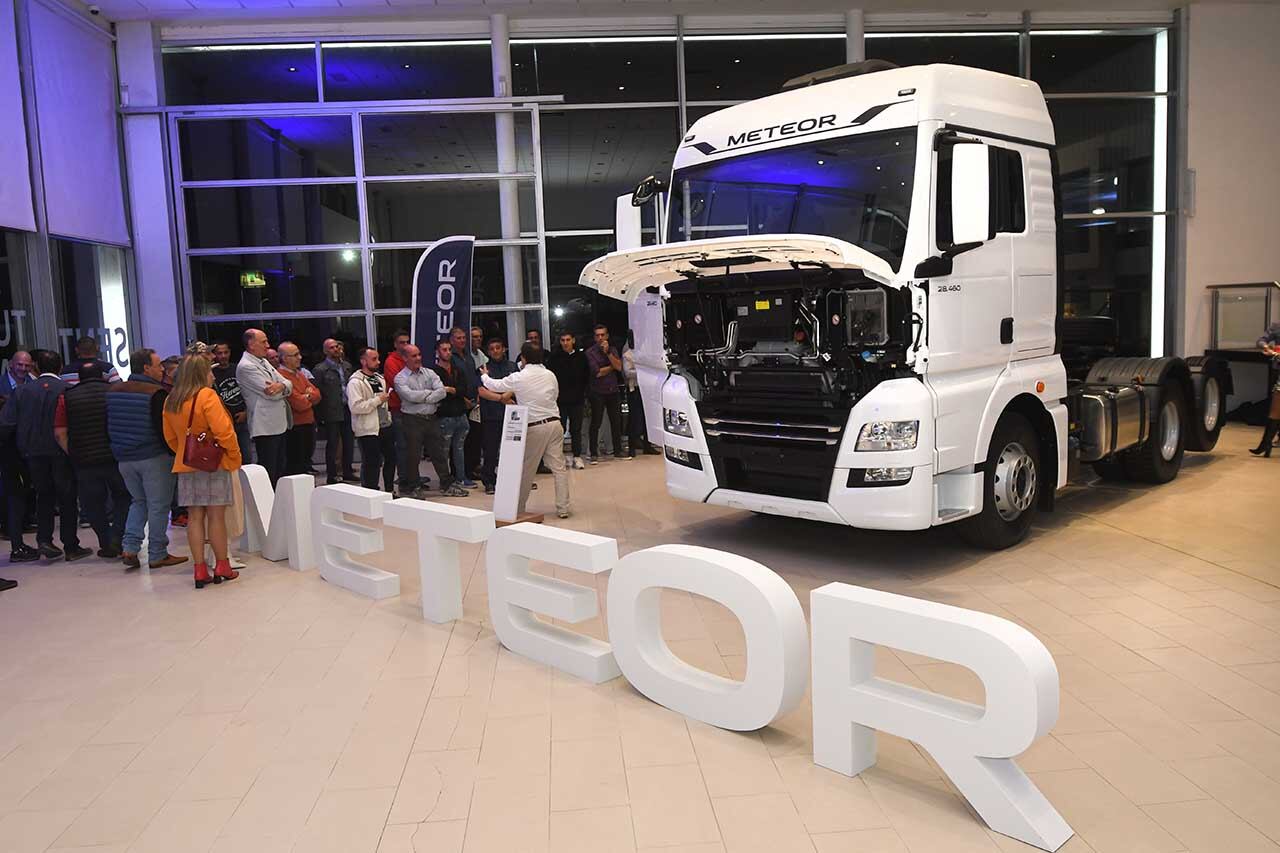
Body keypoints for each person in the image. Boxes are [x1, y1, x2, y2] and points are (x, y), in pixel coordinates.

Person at [0, 350, 92, 562]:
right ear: (60, 367)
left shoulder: (22, 392)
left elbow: (6, 423)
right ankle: (70, 545)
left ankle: (44, 540)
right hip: (61, 451)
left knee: (44, 496)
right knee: (67, 497)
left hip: (32, 453)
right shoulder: (68, 390)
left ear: (36, 368)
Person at [161, 354, 242, 589]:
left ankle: (199, 569)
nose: (213, 375)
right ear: (200, 373)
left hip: (186, 465)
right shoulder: (207, 396)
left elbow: (170, 436)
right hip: (214, 463)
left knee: (194, 517)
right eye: (209, 371)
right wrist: (234, 456)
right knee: (216, 517)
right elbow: (224, 431)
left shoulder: (171, 400)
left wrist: (186, 453)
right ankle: (222, 565)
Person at [107, 349, 186, 570]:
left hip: (124, 458)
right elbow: (164, 430)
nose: (162, 369)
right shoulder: (156, 393)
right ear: (145, 368)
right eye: (158, 364)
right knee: (159, 506)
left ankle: (130, 547)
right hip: (153, 456)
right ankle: (157, 553)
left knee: (138, 501)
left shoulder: (114, 390)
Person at [481, 342, 571, 519]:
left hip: (534, 427)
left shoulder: (519, 377)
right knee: (559, 469)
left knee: (527, 470)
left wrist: (484, 376)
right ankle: (563, 508)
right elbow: (555, 395)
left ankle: (518, 508)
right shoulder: (550, 375)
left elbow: (495, 385)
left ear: (523, 358)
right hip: (555, 423)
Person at [54, 363, 130, 557]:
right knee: (123, 497)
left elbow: (60, 433)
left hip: (84, 460)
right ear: (103, 376)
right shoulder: (114, 392)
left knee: (93, 503)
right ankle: (117, 535)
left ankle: (105, 541)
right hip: (114, 456)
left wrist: (73, 453)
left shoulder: (67, 397)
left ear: (79, 377)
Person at [393, 344, 468, 498]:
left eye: (419, 354)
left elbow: (441, 392)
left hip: (432, 418)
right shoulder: (400, 378)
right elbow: (409, 397)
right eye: (414, 356)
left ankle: (446, 484)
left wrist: (425, 396)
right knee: (413, 456)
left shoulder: (430, 372)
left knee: (439, 453)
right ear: (405, 358)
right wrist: (430, 395)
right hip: (412, 420)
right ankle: (413, 486)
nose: (418, 358)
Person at [236, 328, 292, 486]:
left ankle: (278, 503)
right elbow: (271, 393)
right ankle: (267, 506)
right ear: (251, 344)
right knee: (269, 470)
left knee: (280, 467)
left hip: (279, 423)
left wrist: (281, 386)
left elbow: (288, 383)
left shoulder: (263, 361)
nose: (268, 345)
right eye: (263, 342)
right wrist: (283, 387)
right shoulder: (246, 366)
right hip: (265, 426)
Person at [348, 346, 395, 492]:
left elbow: (384, 402)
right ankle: (370, 493)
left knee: (391, 459)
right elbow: (355, 407)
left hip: (385, 425)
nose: (378, 362)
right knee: (372, 463)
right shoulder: (355, 382)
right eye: (374, 359)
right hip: (368, 429)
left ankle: (389, 490)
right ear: (363, 361)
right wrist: (377, 400)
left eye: (378, 358)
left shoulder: (380, 378)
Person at [476, 338, 518, 495]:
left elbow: (518, 385)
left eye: (498, 347)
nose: (495, 351)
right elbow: (481, 391)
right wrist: (502, 399)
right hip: (491, 415)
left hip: (512, 415)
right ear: (488, 352)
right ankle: (489, 481)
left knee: (513, 449)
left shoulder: (512, 366)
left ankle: (512, 479)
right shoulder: (483, 368)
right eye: (492, 348)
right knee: (491, 450)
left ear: (504, 349)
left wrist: (506, 397)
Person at [432, 338, 475, 491]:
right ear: (437, 352)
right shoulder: (434, 372)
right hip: (445, 415)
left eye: (449, 349)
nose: (448, 352)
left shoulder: (457, 370)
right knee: (444, 450)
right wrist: (449, 391)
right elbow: (439, 393)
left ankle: (461, 477)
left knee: (459, 448)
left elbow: (463, 389)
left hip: (460, 414)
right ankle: (445, 480)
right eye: (444, 350)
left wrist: (451, 390)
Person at [314, 337, 356, 484]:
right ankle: (332, 475)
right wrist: (320, 416)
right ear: (325, 351)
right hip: (331, 410)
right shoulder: (320, 369)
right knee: (332, 443)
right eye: (332, 347)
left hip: (347, 408)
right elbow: (317, 393)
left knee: (349, 442)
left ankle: (347, 471)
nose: (336, 349)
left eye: (337, 346)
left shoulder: (347, 366)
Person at [548, 331, 590, 469]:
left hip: (577, 400)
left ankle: (577, 456)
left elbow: (586, 377)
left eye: (568, 340)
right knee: (559, 429)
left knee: (576, 429)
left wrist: (583, 394)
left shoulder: (581, 357)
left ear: (573, 340)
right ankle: (559, 457)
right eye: (562, 340)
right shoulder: (554, 358)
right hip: (560, 401)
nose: (565, 343)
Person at [585, 324, 627, 463]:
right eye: (597, 335)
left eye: (602, 335)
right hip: (597, 391)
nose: (600, 338)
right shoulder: (590, 352)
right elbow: (597, 372)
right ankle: (593, 453)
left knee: (616, 421)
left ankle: (617, 450)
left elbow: (620, 367)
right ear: (594, 337)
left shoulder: (613, 350)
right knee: (596, 422)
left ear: (607, 336)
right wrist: (612, 367)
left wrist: (608, 353)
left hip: (612, 390)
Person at [278, 342, 319, 476]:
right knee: (295, 466)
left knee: (305, 463)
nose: (300, 357)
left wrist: (307, 396)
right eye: (295, 355)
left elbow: (318, 395)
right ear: (284, 358)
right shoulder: (281, 376)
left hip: (308, 423)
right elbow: (298, 404)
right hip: (295, 427)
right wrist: (308, 395)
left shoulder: (300, 374)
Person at [383, 329, 414, 492]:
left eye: (407, 342)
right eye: (401, 342)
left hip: (411, 408)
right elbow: (400, 384)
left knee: (412, 445)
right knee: (402, 446)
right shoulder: (391, 361)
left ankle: (411, 476)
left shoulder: (409, 358)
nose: (405, 345)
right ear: (395, 344)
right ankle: (403, 479)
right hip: (397, 408)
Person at [211, 341, 251, 465]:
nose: (223, 356)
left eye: (226, 352)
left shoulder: (238, 369)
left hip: (242, 419)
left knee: (247, 457)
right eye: (219, 353)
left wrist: (246, 412)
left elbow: (249, 392)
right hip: (223, 423)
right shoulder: (211, 373)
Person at [622, 332, 662, 458]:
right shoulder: (627, 352)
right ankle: (632, 447)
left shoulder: (646, 352)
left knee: (648, 418)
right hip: (635, 389)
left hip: (647, 389)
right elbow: (628, 372)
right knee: (634, 418)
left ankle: (647, 445)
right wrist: (644, 371)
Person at [1252, 324, 1280, 456]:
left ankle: (1266, 444)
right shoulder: (1277, 327)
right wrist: (1267, 348)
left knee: (1276, 408)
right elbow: (1261, 341)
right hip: (1278, 369)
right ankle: (1266, 443)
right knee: (1275, 408)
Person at [465, 325, 487, 480]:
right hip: (466, 401)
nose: (477, 339)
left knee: (478, 436)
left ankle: (476, 465)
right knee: (468, 438)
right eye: (474, 336)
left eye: (479, 336)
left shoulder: (481, 355)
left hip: (479, 400)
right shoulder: (465, 356)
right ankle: (468, 468)